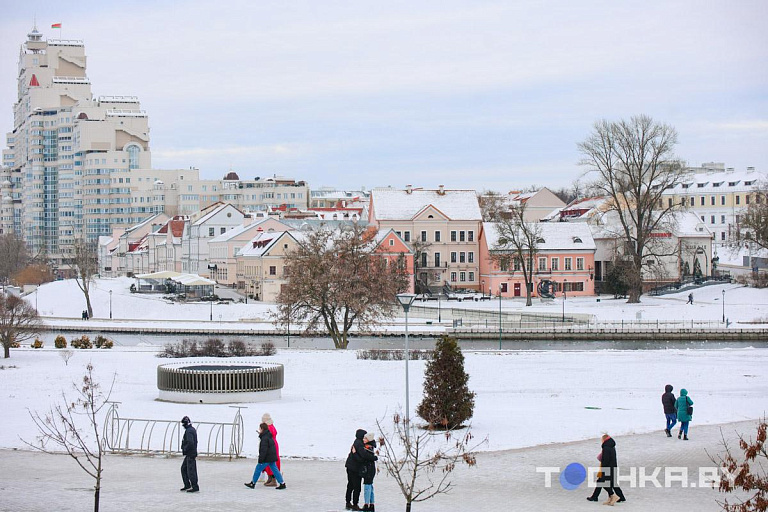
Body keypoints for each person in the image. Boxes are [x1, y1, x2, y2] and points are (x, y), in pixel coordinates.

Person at [244, 422, 286, 490]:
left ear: (262, 429)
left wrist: (260, 459)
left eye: (260, 429)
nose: (259, 430)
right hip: (271, 457)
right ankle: (282, 483)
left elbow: (263, 450)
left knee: (258, 469)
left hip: (267, 458)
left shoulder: (264, 438)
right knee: (275, 470)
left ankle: (253, 483)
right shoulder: (269, 436)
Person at [586, 434, 626, 505]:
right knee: (612, 483)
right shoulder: (611, 446)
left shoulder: (606, 447)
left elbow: (605, 459)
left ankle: (612, 495)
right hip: (613, 467)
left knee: (602, 482)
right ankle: (620, 497)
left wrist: (603, 467)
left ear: (604, 440)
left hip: (607, 468)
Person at [344, 429, 367, 511]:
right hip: (355, 468)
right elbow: (360, 458)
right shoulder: (360, 444)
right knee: (357, 487)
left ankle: (348, 502)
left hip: (350, 467)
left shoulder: (356, 442)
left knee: (350, 484)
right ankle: (355, 504)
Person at [260, 413, 280, 486]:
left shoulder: (268, 428)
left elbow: (266, 436)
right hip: (274, 444)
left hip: (270, 445)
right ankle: (270, 478)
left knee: (270, 461)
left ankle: (273, 480)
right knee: (272, 461)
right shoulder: (272, 426)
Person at [180, 416, 199, 493]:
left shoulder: (189, 431)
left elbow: (190, 442)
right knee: (184, 469)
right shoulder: (191, 429)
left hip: (190, 454)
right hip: (190, 453)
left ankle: (195, 486)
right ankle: (187, 485)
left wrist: (185, 448)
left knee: (191, 471)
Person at [361, 432, 378, 512]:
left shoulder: (368, 447)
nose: (363, 440)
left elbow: (366, 456)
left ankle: (366, 504)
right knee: (370, 486)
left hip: (369, 469)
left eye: (365, 438)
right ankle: (371, 504)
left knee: (367, 487)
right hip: (370, 469)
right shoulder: (370, 446)